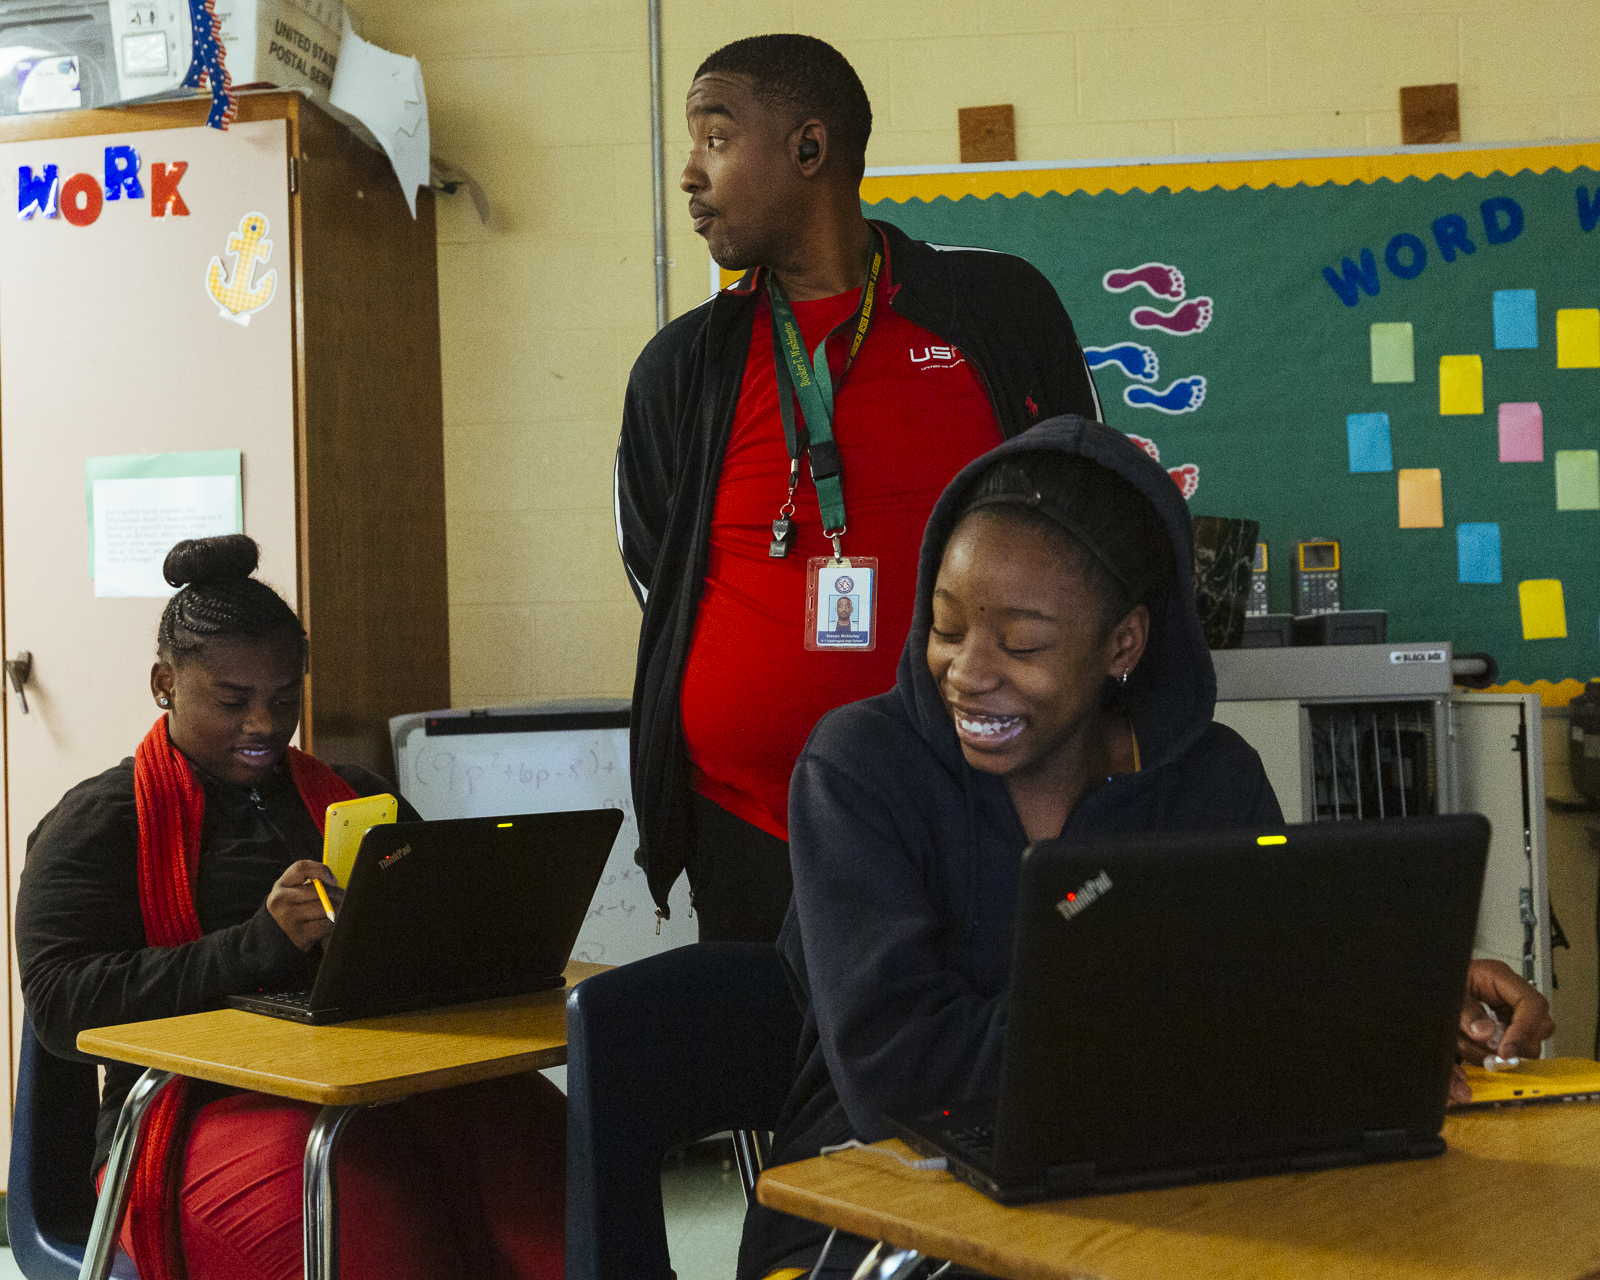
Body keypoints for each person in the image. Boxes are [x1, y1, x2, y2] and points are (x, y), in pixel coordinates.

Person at [737, 418, 1554, 1280]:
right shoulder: (860, 768)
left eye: (1023, 642)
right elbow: (897, 1074)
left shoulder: (1211, 779)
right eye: (944, 627)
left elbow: (1267, 979)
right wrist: (1202, 1054)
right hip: (875, 1198)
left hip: (1142, 1185)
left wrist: (1390, 1000)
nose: (969, 670)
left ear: (1123, 644)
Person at [615, 33, 1104, 944]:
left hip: (975, 806)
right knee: (776, 1080)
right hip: (748, 827)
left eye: (715, 138)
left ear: (809, 150)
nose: (689, 172)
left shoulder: (995, 310)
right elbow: (660, 568)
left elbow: (1088, 522)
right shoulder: (682, 368)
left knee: (963, 1070)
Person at [16, 536, 565, 1280]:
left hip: (381, 1085)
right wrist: (257, 943)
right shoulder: (100, 824)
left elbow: (442, 938)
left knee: (555, 1167)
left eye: (284, 699)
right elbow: (59, 1005)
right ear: (164, 683)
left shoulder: (356, 799)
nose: (264, 727)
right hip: (199, 1115)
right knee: (373, 1220)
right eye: (232, 701)